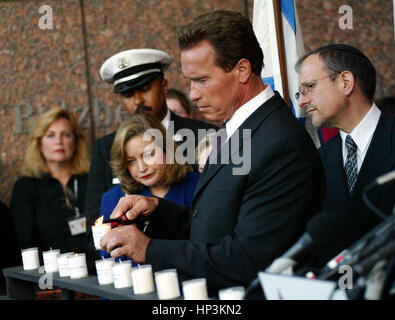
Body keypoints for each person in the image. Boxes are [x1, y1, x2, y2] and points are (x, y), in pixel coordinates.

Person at [100, 10, 325, 296]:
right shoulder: (236, 127)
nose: (192, 93)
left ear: (242, 70)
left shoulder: (280, 144)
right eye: (190, 80)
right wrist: (159, 211)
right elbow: (219, 221)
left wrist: (149, 249)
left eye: (202, 80)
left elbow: (249, 259)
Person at [85, 48, 217, 228]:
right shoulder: (106, 148)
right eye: (128, 95)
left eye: (145, 89)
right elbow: (96, 226)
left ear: (164, 85)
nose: (138, 100)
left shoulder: (204, 135)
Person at [295, 44, 395, 264]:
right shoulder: (318, 160)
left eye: (309, 87)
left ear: (346, 82)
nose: (302, 102)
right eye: (299, 92)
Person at [100, 113, 200, 255]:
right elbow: (109, 258)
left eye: (149, 154)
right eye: (130, 161)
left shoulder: (199, 184)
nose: (142, 168)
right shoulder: (112, 199)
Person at [10, 108, 90, 253]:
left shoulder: (91, 180)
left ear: (76, 141)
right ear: (39, 144)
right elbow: (26, 244)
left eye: (66, 135)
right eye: (50, 135)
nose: (58, 141)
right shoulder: (26, 187)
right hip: (49, 273)